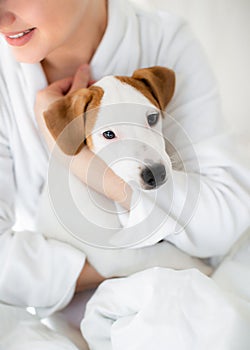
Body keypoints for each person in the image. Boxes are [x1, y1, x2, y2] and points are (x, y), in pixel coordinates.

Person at [0, 0, 249, 348]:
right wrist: (115, 268)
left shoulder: (164, 40)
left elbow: (225, 218)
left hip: (171, 302)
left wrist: (83, 164)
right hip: (67, 312)